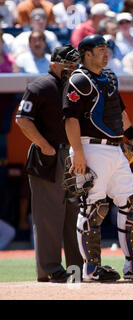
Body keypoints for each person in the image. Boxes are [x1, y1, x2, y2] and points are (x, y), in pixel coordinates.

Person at [62, 34, 133, 282]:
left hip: (114, 148)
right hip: (90, 147)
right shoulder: (78, 79)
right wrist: (79, 153)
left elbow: (119, 110)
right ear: (87, 53)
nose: (106, 53)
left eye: (107, 49)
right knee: (94, 208)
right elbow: (70, 119)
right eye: (100, 49)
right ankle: (91, 268)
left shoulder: (109, 77)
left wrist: (132, 136)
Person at [15, 45, 83, 282]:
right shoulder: (41, 85)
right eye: (69, 65)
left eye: (75, 65)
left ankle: (77, 268)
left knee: (74, 214)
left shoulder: (73, 86)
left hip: (72, 155)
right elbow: (22, 119)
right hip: (48, 156)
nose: (72, 69)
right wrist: (44, 145)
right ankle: (50, 269)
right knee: (48, 216)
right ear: (54, 63)